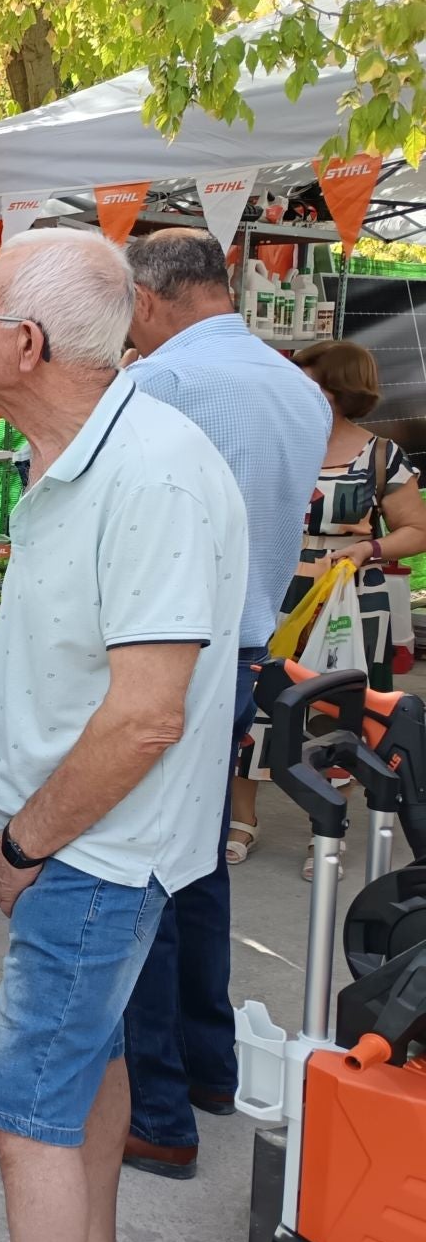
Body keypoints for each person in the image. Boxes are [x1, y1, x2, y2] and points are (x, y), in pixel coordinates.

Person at [0, 228, 247, 1242]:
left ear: (23, 343)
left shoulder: (149, 474)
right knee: (90, 1071)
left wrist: (24, 846)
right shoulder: (85, 452)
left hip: (93, 854)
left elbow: (143, 720)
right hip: (89, 846)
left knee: (22, 1106)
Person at [114, 229, 329, 1182]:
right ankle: (208, 1066)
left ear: (150, 299)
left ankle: (157, 1110)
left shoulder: (158, 386)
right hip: (243, 644)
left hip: (166, 648)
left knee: (138, 874)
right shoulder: (297, 387)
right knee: (198, 865)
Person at [232, 339, 426, 870]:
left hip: (348, 599)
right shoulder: (275, 445)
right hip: (273, 593)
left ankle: (327, 833)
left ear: (337, 391)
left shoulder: (381, 456)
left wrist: (369, 547)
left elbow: (417, 530)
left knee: (341, 713)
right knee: (257, 703)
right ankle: (242, 819)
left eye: (308, 380)